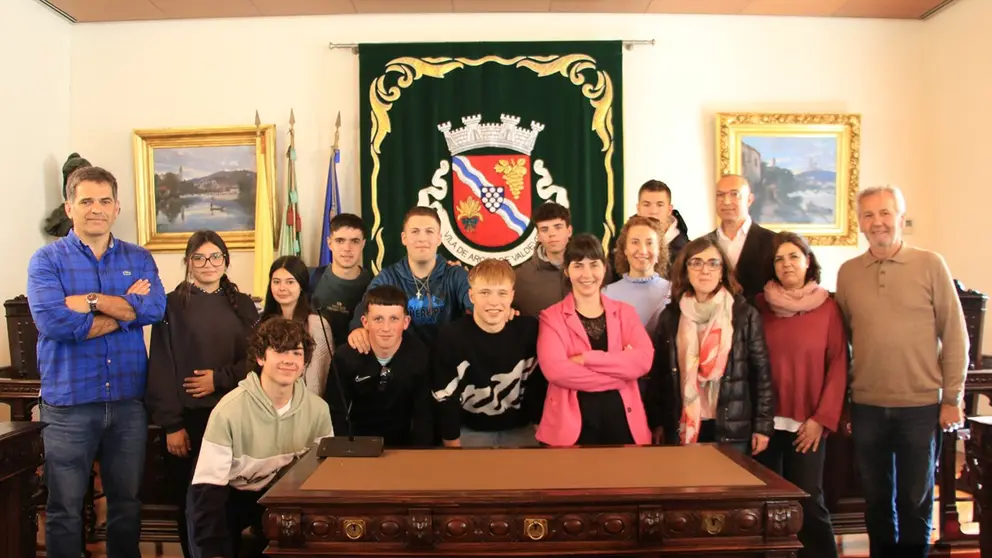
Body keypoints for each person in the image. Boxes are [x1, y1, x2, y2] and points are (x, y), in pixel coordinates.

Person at [27, 166, 167, 558]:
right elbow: (54, 322)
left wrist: (90, 301)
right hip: (68, 405)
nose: (96, 209)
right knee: (64, 509)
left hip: (126, 403)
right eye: (86, 200)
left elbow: (154, 307)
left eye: (105, 200)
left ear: (117, 207)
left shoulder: (138, 258)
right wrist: (125, 312)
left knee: (127, 506)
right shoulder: (46, 261)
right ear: (69, 207)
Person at [835, 185, 968, 558]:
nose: (877, 222)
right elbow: (843, 342)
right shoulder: (847, 274)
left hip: (921, 406)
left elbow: (955, 334)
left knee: (915, 499)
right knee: (875, 499)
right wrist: (844, 404)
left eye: (885, 213)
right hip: (867, 406)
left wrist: (952, 398)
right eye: (869, 215)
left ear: (901, 218)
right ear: (859, 223)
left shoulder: (930, 264)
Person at [146, 230, 258, 558]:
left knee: (232, 499)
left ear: (226, 262)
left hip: (236, 417)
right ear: (187, 262)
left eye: (215, 257)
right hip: (191, 420)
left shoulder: (244, 305)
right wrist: (171, 425)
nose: (207, 264)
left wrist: (219, 379)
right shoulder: (171, 305)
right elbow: (161, 367)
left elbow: (256, 361)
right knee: (195, 502)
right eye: (199, 257)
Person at [187, 317, 333, 558]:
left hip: (280, 496)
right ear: (260, 358)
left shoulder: (318, 409)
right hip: (228, 495)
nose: (289, 360)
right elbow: (207, 493)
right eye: (279, 351)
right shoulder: (229, 410)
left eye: (296, 353)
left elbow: (320, 478)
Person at [755, 231, 846, 558]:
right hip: (765, 424)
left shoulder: (828, 309)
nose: (786, 264)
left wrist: (821, 420)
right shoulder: (760, 305)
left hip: (808, 423)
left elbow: (838, 364)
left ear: (808, 262)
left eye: (794, 256)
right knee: (766, 504)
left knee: (809, 501)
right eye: (779, 259)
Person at [647, 237, 773, 456]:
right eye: (696, 262)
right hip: (682, 424)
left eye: (713, 263)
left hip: (732, 426)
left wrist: (762, 427)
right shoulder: (671, 316)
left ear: (723, 271)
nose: (705, 270)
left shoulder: (743, 315)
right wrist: (656, 421)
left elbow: (761, 374)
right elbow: (659, 374)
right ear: (685, 270)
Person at [535, 234, 654, 447]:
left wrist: (587, 359)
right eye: (578, 265)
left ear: (604, 267)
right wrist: (620, 376)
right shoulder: (551, 317)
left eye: (594, 265)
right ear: (567, 270)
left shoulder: (625, 313)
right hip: (571, 432)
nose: (587, 274)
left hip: (623, 426)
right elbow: (556, 371)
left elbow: (644, 360)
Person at [433, 258, 545, 448]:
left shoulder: (530, 331)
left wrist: (540, 429)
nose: (493, 302)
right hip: (469, 431)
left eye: (501, 293)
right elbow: (445, 397)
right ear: (471, 296)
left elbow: (537, 386)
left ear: (512, 296)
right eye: (484, 292)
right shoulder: (450, 337)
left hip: (521, 429)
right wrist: (452, 445)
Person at [347, 206, 472, 352]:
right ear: (404, 238)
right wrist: (357, 329)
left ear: (439, 239)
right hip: (404, 362)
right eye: (415, 231)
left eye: (429, 231)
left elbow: (477, 303)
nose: (422, 238)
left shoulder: (455, 275)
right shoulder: (389, 277)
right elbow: (365, 306)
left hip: (449, 360)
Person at [326, 286, 434, 447]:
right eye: (378, 319)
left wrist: (418, 457)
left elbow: (424, 416)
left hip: (404, 446)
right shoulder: (345, 357)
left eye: (394, 319)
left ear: (406, 322)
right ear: (365, 322)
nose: (386, 328)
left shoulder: (419, 356)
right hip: (357, 445)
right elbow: (336, 412)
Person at [260, 256, 333, 397]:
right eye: (276, 282)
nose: (282, 288)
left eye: (290, 282)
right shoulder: (264, 322)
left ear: (301, 286)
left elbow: (317, 382)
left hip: (303, 407)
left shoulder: (316, 325)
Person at [705, 174, 776, 302]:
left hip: (760, 318)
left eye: (734, 194)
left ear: (749, 200)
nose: (726, 201)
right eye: (720, 195)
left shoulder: (772, 242)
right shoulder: (703, 244)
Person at [311, 213, 373, 345]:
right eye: (340, 241)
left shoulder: (374, 284)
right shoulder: (311, 278)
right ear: (329, 243)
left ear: (363, 244)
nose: (347, 248)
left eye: (355, 241)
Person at [603, 215, 672, 334]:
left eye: (649, 243)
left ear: (659, 250)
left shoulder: (673, 292)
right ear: (625, 249)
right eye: (635, 242)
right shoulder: (606, 295)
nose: (642, 251)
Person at [607, 180, 688, 278]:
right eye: (646, 204)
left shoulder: (686, 250)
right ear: (638, 208)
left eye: (660, 205)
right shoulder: (621, 243)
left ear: (669, 210)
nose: (653, 211)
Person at [513, 202, 572, 317]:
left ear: (569, 231)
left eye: (558, 227)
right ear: (538, 236)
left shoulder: (591, 267)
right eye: (545, 229)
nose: (552, 234)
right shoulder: (522, 277)